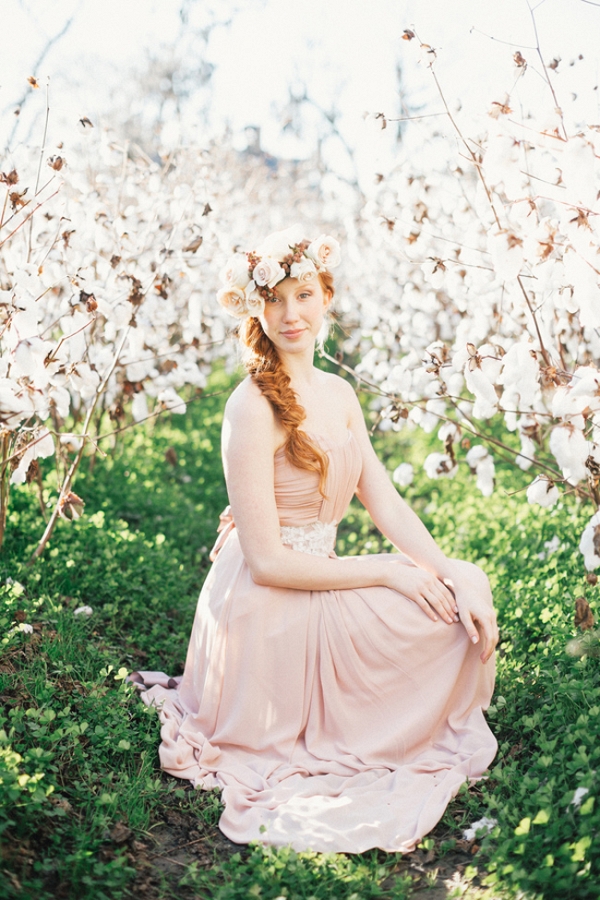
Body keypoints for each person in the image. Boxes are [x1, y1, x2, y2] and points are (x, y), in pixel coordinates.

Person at [131, 225, 498, 854]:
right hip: (264, 603)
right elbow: (270, 562)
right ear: (258, 310)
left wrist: (444, 571)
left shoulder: (340, 394)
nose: (291, 313)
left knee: (456, 597)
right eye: (275, 299)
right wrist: (386, 572)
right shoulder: (249, 407)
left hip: (321, 571)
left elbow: (380, 496)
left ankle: (397, 702)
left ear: (326, 296)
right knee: (409, 598)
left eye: (304, 294)